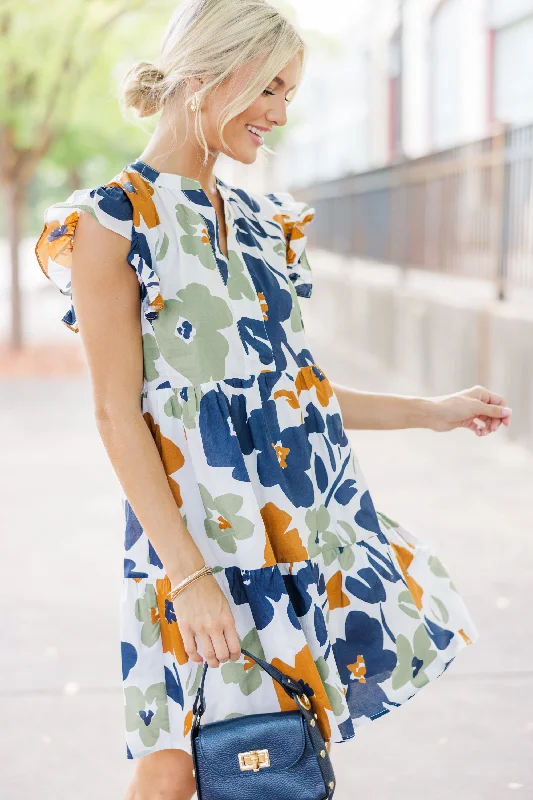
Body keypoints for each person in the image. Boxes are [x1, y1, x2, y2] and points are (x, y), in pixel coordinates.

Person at [34, 0, 512, 797]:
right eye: (269, 89)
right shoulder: (113, 223)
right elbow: (118, 413)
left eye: (288, 95)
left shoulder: (263, 224)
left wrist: (433, 410)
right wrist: (186, 576)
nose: (280, 114)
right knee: (173, 765)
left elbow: (294, 396)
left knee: (269, 759)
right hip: (191, 542)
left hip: (296, 529)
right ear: (208, 77)